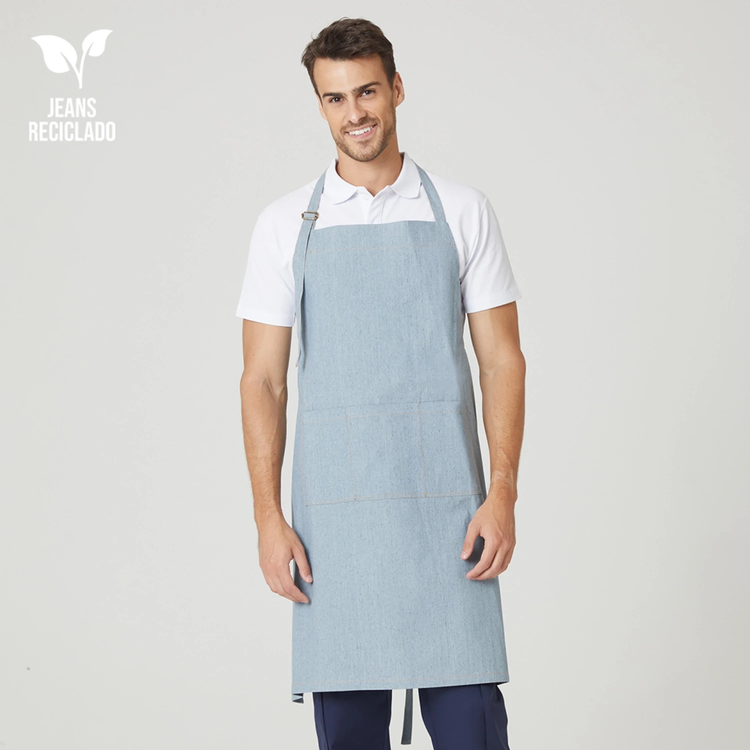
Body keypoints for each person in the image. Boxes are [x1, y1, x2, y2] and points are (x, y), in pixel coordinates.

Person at [237, 17, 525, 750]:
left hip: (452, 520)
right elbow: (263, 381)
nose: (354, 112)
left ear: (397, 88)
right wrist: (268, 518)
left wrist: (502, 492)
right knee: (348, 736)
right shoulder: (283, 225)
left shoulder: (462, 210)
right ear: (320, 106)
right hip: (335, 531)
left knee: (471, 728)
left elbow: (502, 361)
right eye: (335, 98)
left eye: (366, 91)